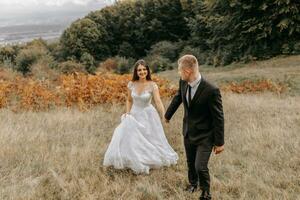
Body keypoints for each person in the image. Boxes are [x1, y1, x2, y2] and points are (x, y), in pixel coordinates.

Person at [164, 55, 225, 200]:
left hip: (205, 135)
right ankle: (193, 184)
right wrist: (167, 115)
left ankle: (206, 193)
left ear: (187, 71)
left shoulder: (211, 90)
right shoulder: (183, 82)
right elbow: (178, 97)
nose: (178, 73)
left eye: (179, 71)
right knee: (190, 162)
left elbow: (219, 117)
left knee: (200, 167)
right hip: (188, 131)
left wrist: (220, 142)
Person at [103, 59, 178, 174]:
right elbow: (129, 100)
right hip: (134, 113)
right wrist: (127, 112)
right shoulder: (131, 84)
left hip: (148, 115)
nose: (142, 72)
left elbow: (158, 102)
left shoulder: (152, 85)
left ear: (147, 71)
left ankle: (149, 158)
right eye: (139, 70)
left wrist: (164, 116)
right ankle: (133, 158)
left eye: (144, 69)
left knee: (149, 138)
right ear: (136, 72)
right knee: (132, 138)